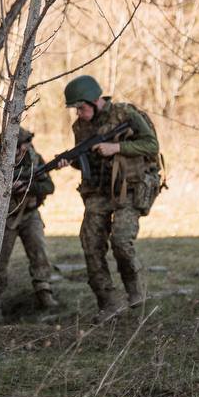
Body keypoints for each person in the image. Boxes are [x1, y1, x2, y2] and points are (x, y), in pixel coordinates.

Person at [57, 75, 161, 323]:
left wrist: (117, 148)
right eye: (76, 109)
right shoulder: (80, 128)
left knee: (121, 240)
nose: (79, 114)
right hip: (99, 190)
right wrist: (69, 161)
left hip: (130, 187)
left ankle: (134, 287)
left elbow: (151, 145)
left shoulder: (126, 114)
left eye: (81, 108)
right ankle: (109, 302)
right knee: (90, 244)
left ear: (96, 101)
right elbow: (88, 164)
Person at [0, 128, 57, 322]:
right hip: (3, 219)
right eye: (17, 148)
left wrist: (28, 187)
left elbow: (49, 186)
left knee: (39, 254)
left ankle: (45, 295)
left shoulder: (33, 158)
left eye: (23, 147)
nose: (20, 152)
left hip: (29, 214)